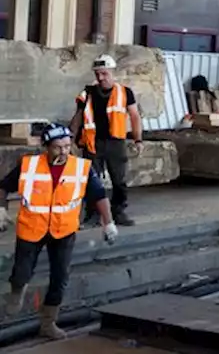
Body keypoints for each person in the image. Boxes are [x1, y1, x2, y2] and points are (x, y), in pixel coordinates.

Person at [0, 125, 117, 339]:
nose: (63, 152)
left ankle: (48, 322)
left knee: (60, 276)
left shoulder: (82, 168)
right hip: (32, 227)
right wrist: (1, 209)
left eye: (66, 146)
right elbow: (3, 186)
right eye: (57, 147)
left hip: (63, 229)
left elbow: (99, 195)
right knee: (22, 271)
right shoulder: (29, 165)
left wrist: (108, 223)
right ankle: (17, 291)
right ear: (46, 147)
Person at [68, 55, 142, 227]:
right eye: (97, 74)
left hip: (116, 142)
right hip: (92, 142)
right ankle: (93, 214)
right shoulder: (87, 93)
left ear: (112, 72)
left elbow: (135, 116)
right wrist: (69, 138)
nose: (100, 78)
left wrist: (138, 140)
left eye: (104, 74)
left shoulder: (124, 92)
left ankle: (118, 212)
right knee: (92, 180)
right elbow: (78, 117)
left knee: (119, 180)